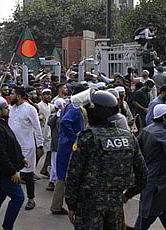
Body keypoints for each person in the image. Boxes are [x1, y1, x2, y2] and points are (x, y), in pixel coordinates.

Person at [65, 90, 148, 229]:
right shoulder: (128, 138)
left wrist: (71, 205)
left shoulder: (87, 138)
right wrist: (127, 194)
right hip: (116, 204)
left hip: (89, 205)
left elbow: (74, 176)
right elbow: (143, 175)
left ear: (96, 113)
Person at [0, 96, 26, 230]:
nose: (8, 110)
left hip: (2, 172)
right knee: (18, 197)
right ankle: (7, 227)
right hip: (5, 173)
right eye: (6, 108)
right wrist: (12, 171)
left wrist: (20, 159)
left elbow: (8, 145)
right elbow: (0, 153)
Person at [51, 85, 87, 215]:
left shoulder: (69, 104)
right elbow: (65, 122)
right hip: (69, 146)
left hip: (64, 144)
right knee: (68, 175)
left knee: (62, 174)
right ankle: (60, 205)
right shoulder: (75, 108)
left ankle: (56, 205)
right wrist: (75, 138)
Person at [134, 104, 166, 229]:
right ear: (164, 117)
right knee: (145, 218)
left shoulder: (147, 129)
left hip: (153, 181)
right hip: (159, 186)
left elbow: (136, 151)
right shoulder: (163, 135)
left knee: (165, 213)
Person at [8, 86, 44, 210]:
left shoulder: (30, 109)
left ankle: (31, 199)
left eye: (12, 93)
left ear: (18, 96)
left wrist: (40, 145)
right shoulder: (10, 108)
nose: (10, 96)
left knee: (28, 175)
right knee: (11, 173)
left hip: (27, 147)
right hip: (12, 148)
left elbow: (37, 128)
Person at [47, 98, 66, 192]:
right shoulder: (54, 115)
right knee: (54, 164)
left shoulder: (65, 115)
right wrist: (57, 115)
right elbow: (49, 123)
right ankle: (52, 182)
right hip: (55, 144)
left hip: (63, 143)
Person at [37, 88, 53, 177]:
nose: (49, 96)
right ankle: (31, 171)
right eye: (47, 94)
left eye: (50, 94)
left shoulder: (50, 106)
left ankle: (44, 168)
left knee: (49, 151)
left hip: (49, 132)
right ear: (42, 96)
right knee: (39, 153)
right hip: (41, 132)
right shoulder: (39, 106)